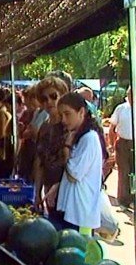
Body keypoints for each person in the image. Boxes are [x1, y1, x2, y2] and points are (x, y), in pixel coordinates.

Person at [56, 92, 107, 235]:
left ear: (81, 112)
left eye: (67, 114)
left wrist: (66, 148)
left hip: (81, 214)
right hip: (74, 211)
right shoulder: (79, 137)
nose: (64, 120)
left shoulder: (89, 138)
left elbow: (73, 174)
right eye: (61, 115)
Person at [33, 76, 69, 225]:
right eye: (44, 98)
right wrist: (37, 192)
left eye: (53, 96)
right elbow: (40, 161)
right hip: (49, 190)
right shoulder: (45, 127)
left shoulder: (70, 125)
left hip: (69, 191)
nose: (49, 102)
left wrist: (61, 185)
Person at [109, 86, 134, 209]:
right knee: (123, 172)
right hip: (123, 143)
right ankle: (123, 201)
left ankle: (132, 199)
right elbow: (112, 127)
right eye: (130, 94)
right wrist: (111, 144)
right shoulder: (121, 108)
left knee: (133, 172)